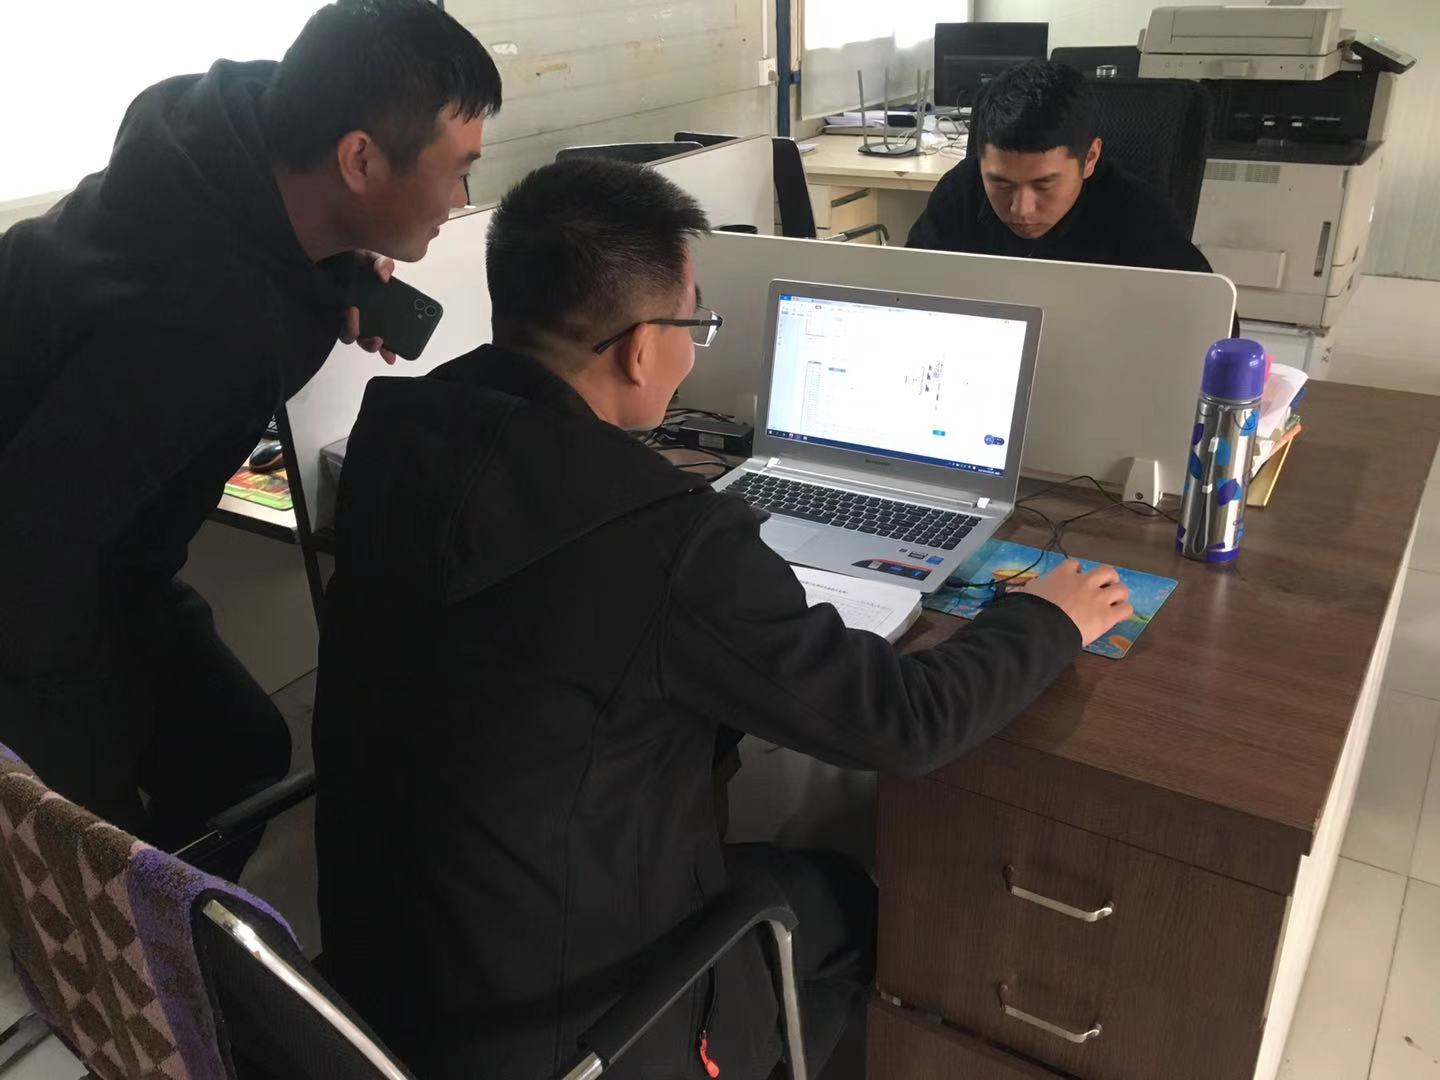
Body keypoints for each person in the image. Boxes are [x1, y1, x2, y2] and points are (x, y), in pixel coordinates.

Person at [313, 157, 1133, 1079]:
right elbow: (904, 723)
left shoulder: (398, 441)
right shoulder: (663, 538)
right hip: (570, 1033)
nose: (694, 348)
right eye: (693, 324)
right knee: (850, 903)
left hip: (375, 982)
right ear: (639, 349)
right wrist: (1045, 621)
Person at [0, 0, 501, 871]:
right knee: (101, 852)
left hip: (99, 538)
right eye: (457, 171)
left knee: (238, 750)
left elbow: (252, 236)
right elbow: (34, 555)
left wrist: (338, 261)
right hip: (37, 564)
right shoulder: (198, 325)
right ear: (359, 159)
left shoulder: (223, 137)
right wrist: (82, 810)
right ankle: (146, 946)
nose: (460, 199)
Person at [907, 59, 1213, 272]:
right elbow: (908, 287)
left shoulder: (1137, 213)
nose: (1022, 210)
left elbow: (1211, 322)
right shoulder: (960, 191)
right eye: (1001, 183)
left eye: (1044, 184)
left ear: (1090, 159)